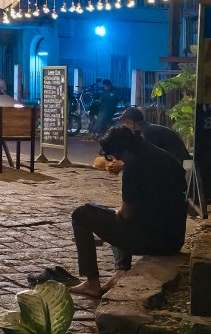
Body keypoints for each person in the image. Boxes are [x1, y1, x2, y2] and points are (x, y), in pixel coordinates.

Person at [68, 127, 187, 298]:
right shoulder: (162, 156)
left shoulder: (134, 168)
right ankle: (120, 271)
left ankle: (92, 283)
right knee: (111, 215)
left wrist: (113, 214)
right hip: (174, 239)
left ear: (120, 151)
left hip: (153, 242)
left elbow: (126, 215)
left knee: (82, 215)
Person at [105, 107, 191, 174]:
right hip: (176, 166)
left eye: (123, 123)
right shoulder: (148, 129)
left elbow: (146, 160)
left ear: (130, 122)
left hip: (178, 169)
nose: (122, 127)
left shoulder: (145, 134)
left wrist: (123, 166)